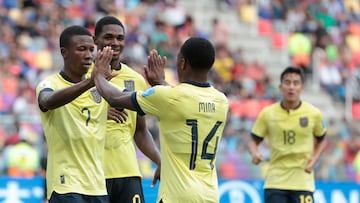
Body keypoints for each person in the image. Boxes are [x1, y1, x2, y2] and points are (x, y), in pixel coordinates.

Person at [92, 37, 229, 203]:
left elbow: (115, 98)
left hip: (177, 196)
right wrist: (160, 83)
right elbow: (185, 102)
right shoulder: (221, 100)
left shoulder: (168, 97)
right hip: (210, 195)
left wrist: (98, 76)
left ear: (183, 64)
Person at [36, 25, 109, 203]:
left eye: (91, 49)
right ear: (64, 52)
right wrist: (91, 82)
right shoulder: (50, 83)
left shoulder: (101, 88)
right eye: (81, 49)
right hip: (65, 184)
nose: (88, 55)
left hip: (97, 185)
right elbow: (47, 101)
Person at [93, 16, 161, 203]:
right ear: (95, 40)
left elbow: (140, 131)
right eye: (108, 37)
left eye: (120, 38)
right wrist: (97, 114)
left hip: (128, 172)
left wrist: (160, 160)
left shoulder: (136, 79)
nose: (115, 43)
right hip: (91, 175)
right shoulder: (82, 78)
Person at [248, 66, 327, 203]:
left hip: (303, 180)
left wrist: (314, 159)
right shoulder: (268, 114)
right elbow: (253, 140)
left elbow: (322, 139)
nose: (291, 87)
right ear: (280, 86)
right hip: (276, 181)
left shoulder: (314, 114)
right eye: (287, 82)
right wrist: (255, 153)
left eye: (296, 83)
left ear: (301, 87)